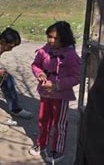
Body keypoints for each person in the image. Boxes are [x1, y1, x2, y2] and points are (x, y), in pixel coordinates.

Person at [28, 21, 80, 163]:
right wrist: (39, 73)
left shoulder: (70, 55)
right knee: (43, 120)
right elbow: (35, 65)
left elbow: (76, 76)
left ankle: (58, 150)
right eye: (49, 37)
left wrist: (57, 85)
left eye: (55, 38)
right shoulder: (45, 50)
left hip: (61, 96)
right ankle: (41, 144)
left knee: (59, 124)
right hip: (45, 94)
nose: (50, 40)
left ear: (64, 38)